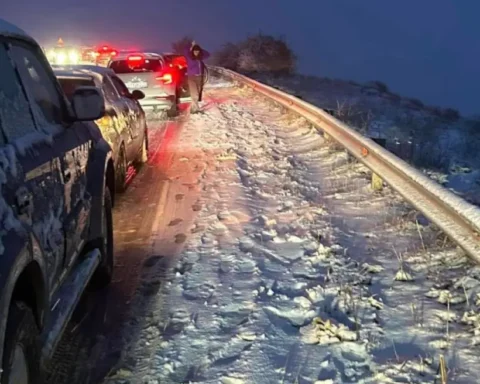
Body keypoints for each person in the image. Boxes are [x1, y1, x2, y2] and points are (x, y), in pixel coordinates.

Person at [184, 41, 210, 113]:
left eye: (198, 51)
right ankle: (195, 109)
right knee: (194, 93)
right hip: (191, 77)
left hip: (200, 77)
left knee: (198, 93)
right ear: (192, 51)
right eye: (195, 51)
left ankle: (193, 108)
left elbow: (208, 54)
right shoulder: (189, 56)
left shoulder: (200, 57)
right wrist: (191, 44)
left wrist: (200, 49)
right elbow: (185, 50)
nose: (196, 52)